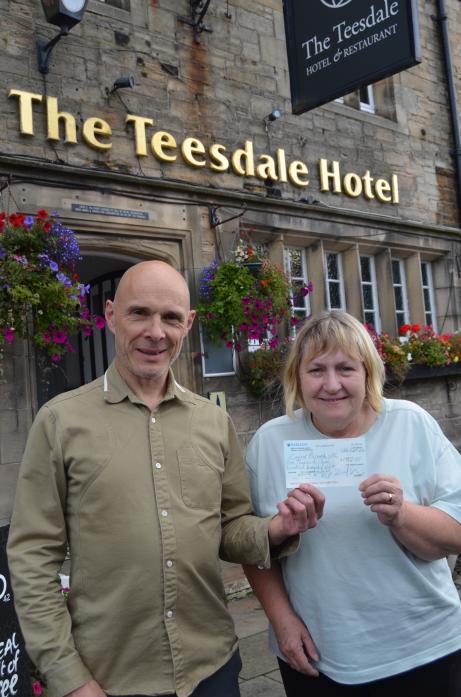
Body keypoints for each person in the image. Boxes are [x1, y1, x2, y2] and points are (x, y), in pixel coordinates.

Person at [7, 260, 314, 697]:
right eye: (139, 313)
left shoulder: (213, 421)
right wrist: (68, 678)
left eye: (171, 317)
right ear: (111, 315)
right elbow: (33, 558)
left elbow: (230, 529)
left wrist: (279, 528)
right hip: (110, 679)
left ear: (188, 324)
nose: (156, 332)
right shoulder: (60, 422)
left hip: (213, 668)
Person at [244, 310, 461, 696]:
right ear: (296, 377)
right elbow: (251, 544)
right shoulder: (270, 443)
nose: (331, 385)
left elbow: (457, 532)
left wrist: (402, 514)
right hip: (319, 653)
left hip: (425, 647)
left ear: (368, 373)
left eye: (345, 368)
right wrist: (281, 620)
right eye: (316, 370)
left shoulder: (410, 424)